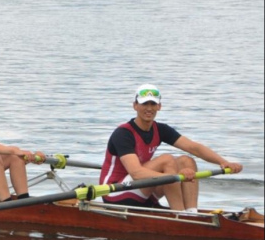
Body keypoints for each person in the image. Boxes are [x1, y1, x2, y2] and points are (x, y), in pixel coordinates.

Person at [99, 84, 243, 211]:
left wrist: (223, 162)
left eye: (153, 104)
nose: (149, 108)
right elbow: (136, 173)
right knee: (167, 160)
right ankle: (180, 215)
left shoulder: (160, 129)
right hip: (115, 193)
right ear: (135, 106)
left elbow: (194, 147)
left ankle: (191, 213)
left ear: (159, 106)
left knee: (187, 161)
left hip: (141, 190)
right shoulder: (123, 134)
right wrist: (175, 177)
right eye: (144, 104)